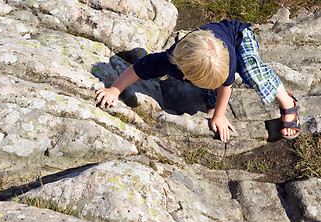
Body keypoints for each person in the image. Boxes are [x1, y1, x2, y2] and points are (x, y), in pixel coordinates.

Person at [95, 19, 300, 143]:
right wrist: (115, 89)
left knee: (251, 71)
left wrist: (220, 115)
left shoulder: (224, 61)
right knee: (211, 89)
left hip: (239, 36)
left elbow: (226, 87)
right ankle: (210, 98)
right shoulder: (168, 61)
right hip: (202, 53)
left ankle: (288, 103)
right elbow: (138, 69)